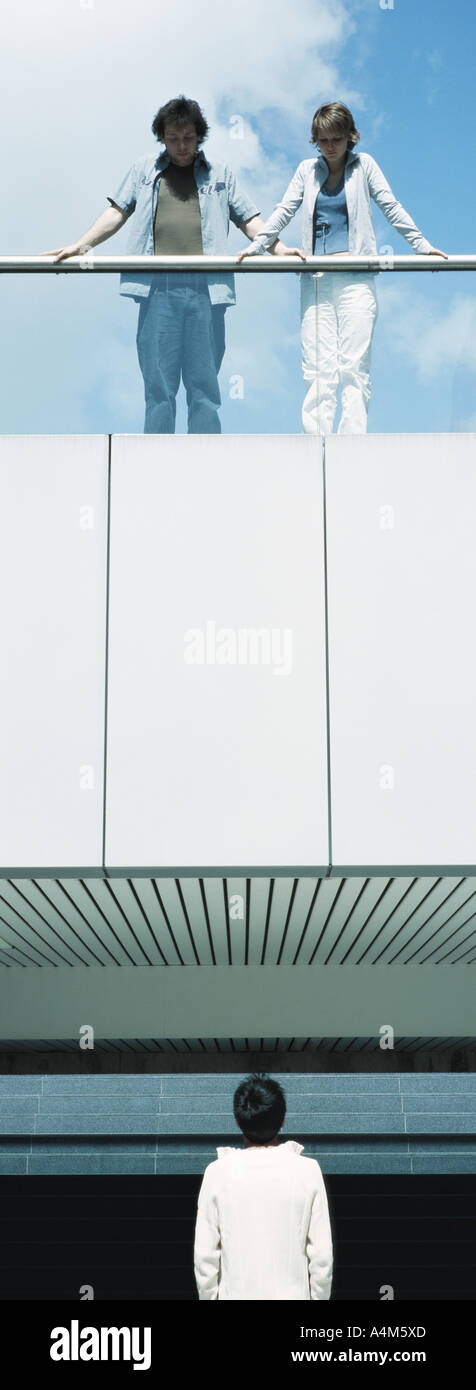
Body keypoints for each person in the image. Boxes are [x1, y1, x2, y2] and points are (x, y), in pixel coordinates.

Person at [41, 95, 283, 434]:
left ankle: (204, 460)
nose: (181, 146)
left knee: (204, 389)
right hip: (158, 292)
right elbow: (117, 211)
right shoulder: (144, 170)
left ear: (199, 136)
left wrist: (281, 249)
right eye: (173, 139)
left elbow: (250, 220)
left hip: (206, 293)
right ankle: (155, 467)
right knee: (158, 389)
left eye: (188, 138)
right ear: (162, 138)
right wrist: (82, 245)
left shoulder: (220, 173)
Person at [238, 101, 447, 434]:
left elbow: (391, 206)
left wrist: (422, 247)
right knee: (317, 368)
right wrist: (256, 247)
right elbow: (283, 210)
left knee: (353, 367)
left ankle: (351, 447)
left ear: (350, 137)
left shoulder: (365, 166)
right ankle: (316, 445)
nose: (330, 147)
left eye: (336, 139)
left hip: (355, 279)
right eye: (323, 140)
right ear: (315, 141)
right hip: (316, 279)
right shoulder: (307, 171)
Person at [193, 1072, 333, 1301]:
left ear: (238, 1121)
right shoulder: (308, 1171)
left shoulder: (217, 1173)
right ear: (282, 1120)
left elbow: (205, 1258)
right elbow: (322, 1260)